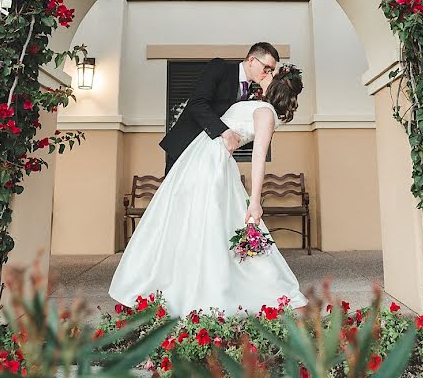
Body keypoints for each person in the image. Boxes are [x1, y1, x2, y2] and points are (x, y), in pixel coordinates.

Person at [109, 64, 307, 317]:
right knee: (185, 220)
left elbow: (259, 157)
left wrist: (255, 201)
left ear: (277, 86)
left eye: (271, 74)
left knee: (209, 222)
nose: (265, 74)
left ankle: (207, 290)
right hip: (199, 156)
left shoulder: (267, 113)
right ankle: (176, 284)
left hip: (212, 162)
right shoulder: (255, 103)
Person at [159, 42, 280, 175]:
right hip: (186, 147)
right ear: (252, 60)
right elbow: (197, 103)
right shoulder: (220, 68)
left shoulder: (253, 92)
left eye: (271, 71)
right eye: (266, 68)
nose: (267, 74)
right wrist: (225, 132)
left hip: (211, 157)